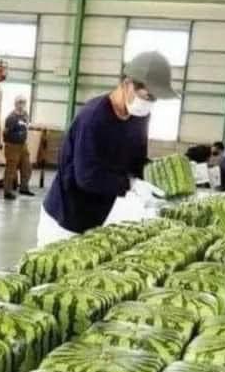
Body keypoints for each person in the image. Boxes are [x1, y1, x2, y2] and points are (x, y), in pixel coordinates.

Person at [38, 51, 179, 246]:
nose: (150, 104)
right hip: (65, 219)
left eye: (155, 99)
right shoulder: (94, 117)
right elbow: (87, 176)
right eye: (148, 96)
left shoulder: (139, 116)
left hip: (97, 216)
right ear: (128, 84)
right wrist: (131, 185)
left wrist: (162, 179)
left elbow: (137, 160)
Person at [2, 95, 34, 201]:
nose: (21, 105)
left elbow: (26, 126)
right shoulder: (11, 118)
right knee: (11, 169)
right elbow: (5, 133)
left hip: (23, 145)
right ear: (15, 104)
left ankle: (24, 188)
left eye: (23, 102)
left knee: (27, 166)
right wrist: (13, 139)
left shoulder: (25, 115)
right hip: (12, 146)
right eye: (19, 102)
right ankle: (7, 191)